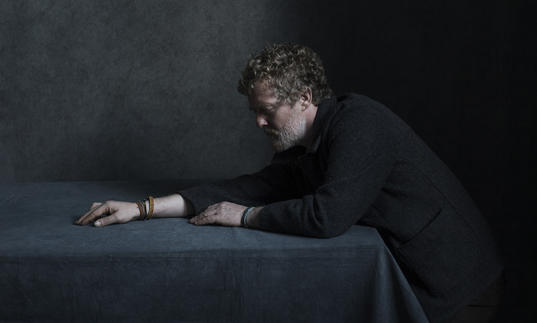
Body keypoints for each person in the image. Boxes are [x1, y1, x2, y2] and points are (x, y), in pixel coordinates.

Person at [75, 43, 503, 323]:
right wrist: (144, 208)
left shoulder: (360, 123)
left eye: (267, 110)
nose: (259, 122)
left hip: (458, 289)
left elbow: (327, 215)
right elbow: (252, 186)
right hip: (412, 282)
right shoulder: (304, 147)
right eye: (254, 112)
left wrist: (244, 218)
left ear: (304, 98)